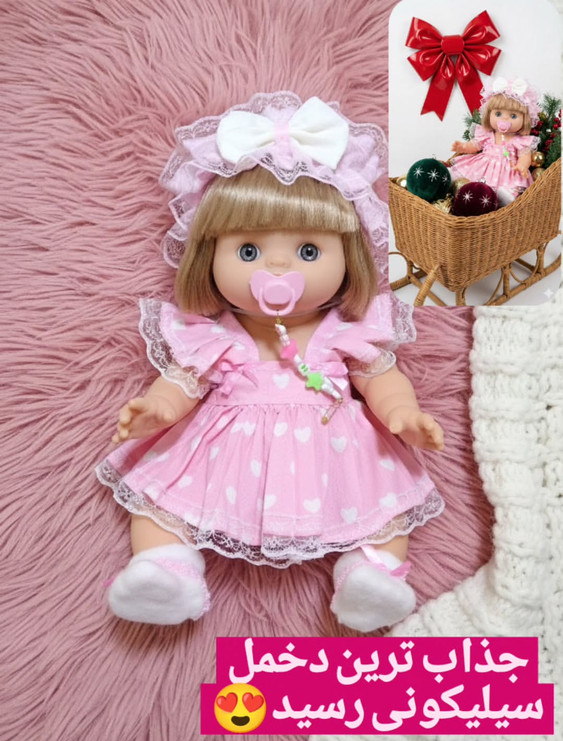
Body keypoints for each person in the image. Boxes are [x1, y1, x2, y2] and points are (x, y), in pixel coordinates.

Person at [97, 92, 444, 632]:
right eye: (248, 251)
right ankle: (165, 570)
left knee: (384, 508)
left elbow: (382, 378)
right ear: (208, 257)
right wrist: (157, 411)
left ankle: (371, 575)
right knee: (160, 503)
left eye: (309, 252)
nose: (278, 268)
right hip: (227, 454)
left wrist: (402, 414)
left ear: (348, 257)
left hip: (334, 449)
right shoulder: (213, 335)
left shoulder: (346, 331)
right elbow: (182, 383)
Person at [450, 77, 540, 204]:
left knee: (508, 187)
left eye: (513, 116)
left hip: (508, 171)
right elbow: (475, 145)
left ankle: (504, 198)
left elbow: (525, 155)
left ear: (525, 119)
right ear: (489, 114)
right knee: (471, 178)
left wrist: (522, 166)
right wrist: (463, 147)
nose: (504, 119)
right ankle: (462, 186)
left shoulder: (520, 141)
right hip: (483, 167)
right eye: (498, 114)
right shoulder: (487, 135)